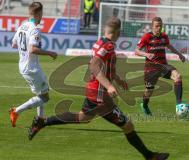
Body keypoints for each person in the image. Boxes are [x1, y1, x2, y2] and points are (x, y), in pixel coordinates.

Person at [28, 17, 169, 160]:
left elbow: (103, 66)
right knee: (128, 125)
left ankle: (43, 121)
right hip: (100, 95)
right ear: (118, 32)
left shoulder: (100, 42)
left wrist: (117, 79)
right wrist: (109, 86)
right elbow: (94, 66)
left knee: (83, 117)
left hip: (93, 90)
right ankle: (150, 156)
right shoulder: (107, 46)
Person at [9, 2, 57, 127]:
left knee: (40, 93)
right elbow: (32, 50)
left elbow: (13, 44)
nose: (42, 16)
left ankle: (40, 119)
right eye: (42, 13)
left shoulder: (22, 26)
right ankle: (16, 111)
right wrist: (50, 53)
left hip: (24, 66)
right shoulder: (34, 29)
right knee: (45, 97)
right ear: (38, 13)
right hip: (32, 68)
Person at [135, 17, 189, 116]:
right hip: (151, 68)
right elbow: (136, 51)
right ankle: (144, 105)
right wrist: (146, 54)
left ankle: (179, 105)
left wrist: (179, 54)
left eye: (160, 26)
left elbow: (169, 46)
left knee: (177, 76)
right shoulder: (147, 37)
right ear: (152, 26)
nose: (159, 28)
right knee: (149, 90)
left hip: (163, 65)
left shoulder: (164, 36)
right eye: (157, 26)